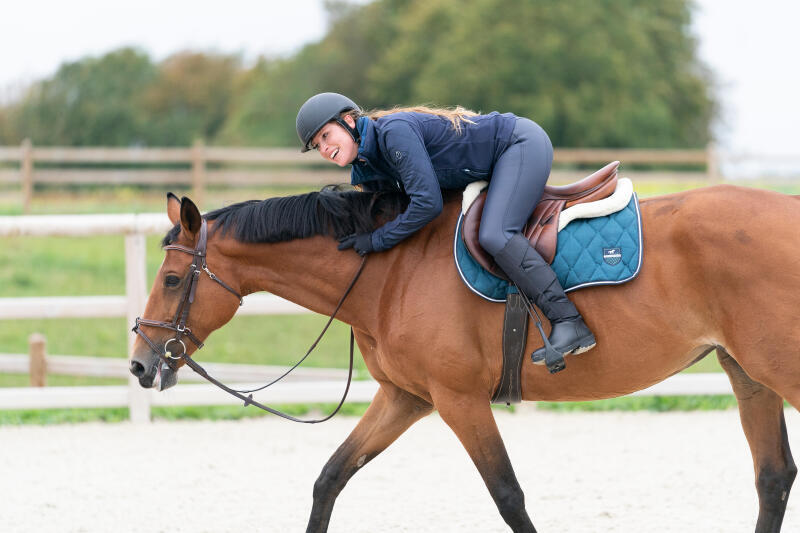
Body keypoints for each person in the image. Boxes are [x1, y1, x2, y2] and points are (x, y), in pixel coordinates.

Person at [295, 92, 595, 362]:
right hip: (495, 161)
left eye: (326, 135)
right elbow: (388, 214)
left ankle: (569, 321)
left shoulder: (394, 132)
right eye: (317, 145)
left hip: (519, 143)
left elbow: (427, 204)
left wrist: (377, 240)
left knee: (495, 234)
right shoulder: (363, 167)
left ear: (348, 121)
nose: (324, 148)